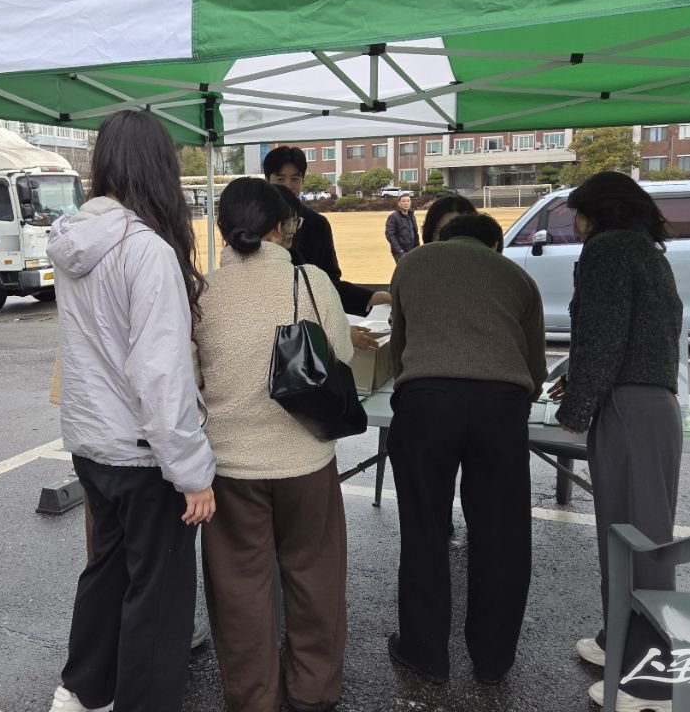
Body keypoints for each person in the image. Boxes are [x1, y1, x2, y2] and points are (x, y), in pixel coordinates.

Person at [45, 110, 217, 712]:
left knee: (108, 569)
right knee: (160, 594)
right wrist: (193, 472)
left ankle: (84, 690)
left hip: (91, 442)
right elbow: (161, 371)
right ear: (159, 168)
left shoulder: (74, 239)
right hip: (144, 453)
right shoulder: (146, 249)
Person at [195, 178, 351, 712]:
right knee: (315, 578)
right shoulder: (311, 283)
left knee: (239, 589)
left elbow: (191, 381)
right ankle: (313, 690)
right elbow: (342, 356)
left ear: (224, 228)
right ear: (283, 227)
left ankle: (252, 697)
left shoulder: (203, 293)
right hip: (306, 458)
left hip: (229, 468)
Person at [386, 212, 546, 686]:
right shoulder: (517, 276)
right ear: (494, 244)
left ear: (445, 236)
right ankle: (493, 659)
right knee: (502, 535)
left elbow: (400, 344)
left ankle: (425, 652)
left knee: (424, 529)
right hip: (501, 404)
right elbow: (534, 364)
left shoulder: (412, 264)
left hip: (426, 401)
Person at [550, 171, 684, 712]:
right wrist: (578, 378)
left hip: (629, 408)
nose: (575, 227)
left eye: (578, 214)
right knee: (625, 536)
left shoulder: (608, 250)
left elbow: (604, 335)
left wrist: (575, 408)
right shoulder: (646, 251)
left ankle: (652, 683)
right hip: (645, 404)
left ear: (597, 213)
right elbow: (625, 334)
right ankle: (619, 641)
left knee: (638, 542)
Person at [263, 146, 390, 349]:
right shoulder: (255, 224)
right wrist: (337, 332)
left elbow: (329, 283)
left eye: (295, 179)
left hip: (309, 339)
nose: (288, 185)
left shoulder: (318, 224)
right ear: (267, 180)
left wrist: (370, 297)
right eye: (280, 179)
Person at [385, 193, 419, 261]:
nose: (406, 203)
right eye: (403, 201)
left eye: (408, 201)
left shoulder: (412, 216)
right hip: (400, 252)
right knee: (404, 270)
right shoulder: (393, 217)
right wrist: (399, 250)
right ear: (399, 203)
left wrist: (418, 248)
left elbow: (415, 233)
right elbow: (390, 234)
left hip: (412, 251)